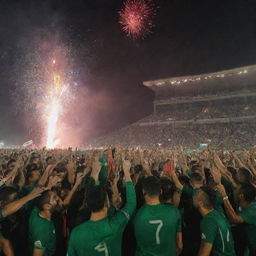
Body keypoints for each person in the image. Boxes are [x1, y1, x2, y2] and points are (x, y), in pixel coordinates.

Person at [67, 160, 136, 256]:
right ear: (107, 203)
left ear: (87, 204)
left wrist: (95, 174)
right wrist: (126, 172)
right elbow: (131, 203)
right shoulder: (116, 224)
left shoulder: (76, 233)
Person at [133, 176, 182, 256]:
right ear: (161, 191)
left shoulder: (137, 216)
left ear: (143, 191)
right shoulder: (174, 212)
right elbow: (179, 244)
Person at [193, 186, 235, 256]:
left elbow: (205, 252)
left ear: (201, 203)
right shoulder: (218, 214)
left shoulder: (208, 221)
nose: (193, 197)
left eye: (196, 195)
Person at [216, 182, 256, 256]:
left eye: (235, 190)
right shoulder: (245, 203)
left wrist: (224, 196)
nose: (233, 191)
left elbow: (234, 219)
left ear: (241, 196)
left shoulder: (253, 210)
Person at [28, 190, 59, 256]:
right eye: (54, 197)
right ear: (47, 206)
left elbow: (42, 198)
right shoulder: (43, 230)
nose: (57, 199)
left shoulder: (35, 210)